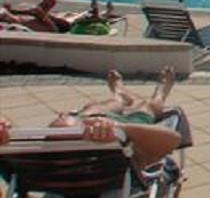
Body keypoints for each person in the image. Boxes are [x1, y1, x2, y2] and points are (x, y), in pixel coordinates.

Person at [0, 67, 182, 171]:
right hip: (118, 131)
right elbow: (173, 139)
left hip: (82, 135)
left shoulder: (34, 163)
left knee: (93, 109)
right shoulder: (113, 155)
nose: (62, 113)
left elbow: (13, 173)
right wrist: (120, 129)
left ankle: (120, 95)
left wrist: (6, 142)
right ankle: (160, 93)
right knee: (146, 106)